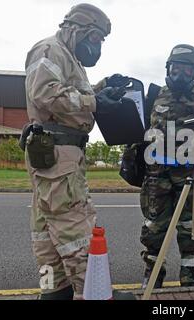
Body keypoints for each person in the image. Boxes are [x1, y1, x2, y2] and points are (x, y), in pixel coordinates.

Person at [24, 3, 129, 300]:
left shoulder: (69, 58)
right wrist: (95, 102)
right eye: (95, 39)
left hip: (58, 153)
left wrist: (103, 88)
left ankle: (53, 289)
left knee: (46, 228)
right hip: (59, 154)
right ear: (76, 29)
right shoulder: (50, 49)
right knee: (75, 226)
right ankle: (93, 291)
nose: (97, 47)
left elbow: (69, 96)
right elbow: (45, 94)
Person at [139, 44, 194, 288]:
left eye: (186, 70)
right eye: (176, 68)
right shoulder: (154, 97)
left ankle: (189, 274)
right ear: (168, 68)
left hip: (192, 174)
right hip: (158, 175)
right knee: (154, 225)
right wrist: (131, 161)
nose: (180, 74)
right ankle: (153, 272)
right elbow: (140, 132)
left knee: (190, 226)